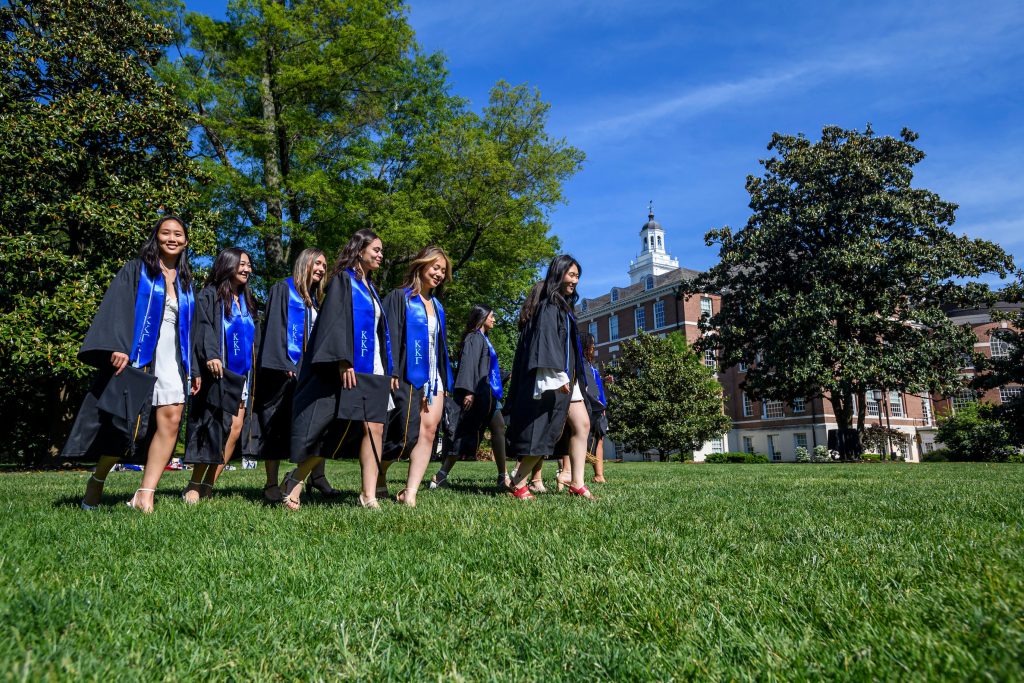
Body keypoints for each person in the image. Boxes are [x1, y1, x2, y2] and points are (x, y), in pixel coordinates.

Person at [66, 216, 200, 512]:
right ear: (156, 237)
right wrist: (118, 345)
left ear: (186, 242)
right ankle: (98, 479)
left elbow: (191, 329)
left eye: (178, 234)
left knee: (172, 420)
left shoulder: (187, 282)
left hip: (174, 358)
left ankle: (145, 493)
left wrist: (195, 368)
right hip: (141, 354)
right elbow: (118, 307)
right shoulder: (136, 271)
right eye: (166, 233)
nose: (172, 238)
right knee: (125, 426)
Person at [281, 229, 396, 509]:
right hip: (348, 368)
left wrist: (389, 370)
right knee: (332, 430)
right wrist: (344, 359)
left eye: (381, 251)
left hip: (374, 368)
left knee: (375, 428)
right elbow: (334, 321)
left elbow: (381, 333)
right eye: (376, 250)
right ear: (360, 250)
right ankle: (295, 480)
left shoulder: (370, 288)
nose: (381, 255)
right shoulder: (343, 282)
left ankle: (368, 496)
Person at [253, 248, 341, 503]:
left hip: (308, 373)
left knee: (314, 425)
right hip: (283, 371)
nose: (322, 269)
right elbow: (273, 328)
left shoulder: (316, 301)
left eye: (325, 265)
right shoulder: (283, 289)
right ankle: (271, 483)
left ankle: (314, 476)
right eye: (317, 263)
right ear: (304, 263)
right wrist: (281, 364)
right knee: (276, 425)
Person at [506, 255, 594, 500]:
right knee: (547, 431)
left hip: (570, 376)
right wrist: (557, 374)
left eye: (577, 276)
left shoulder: (564, 306)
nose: (575, 280)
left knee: (583, 424)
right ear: (558, 273)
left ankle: (576, 481)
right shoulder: (549, 305)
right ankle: (518, 481)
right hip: (556, 376)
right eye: (571, 274)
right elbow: (547, 341)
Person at [379, 246, 454, 507]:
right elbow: (389, 337)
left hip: (434, 376)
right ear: (421, 265)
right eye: (435, 267)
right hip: (407, 375)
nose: (439, 274)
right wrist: (392, 371)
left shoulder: (437, 306)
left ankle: (410, 493)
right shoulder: (399, 298)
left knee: (430, 431)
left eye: (443, 270)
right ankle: (380, 474)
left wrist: (446, 379)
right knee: (402, 433)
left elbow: (440, 345)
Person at [182, 248, 259, 502]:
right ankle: (194, 484)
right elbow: (202, 327)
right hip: (218, 373)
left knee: (234, 430)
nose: (247, 269)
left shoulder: (248, 301)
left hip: (242, 376)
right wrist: (211, 354)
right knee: (213, 428)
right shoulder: (210, 295)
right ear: (228, 265)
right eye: (242, 264)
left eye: (249, 265)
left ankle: (209, 485)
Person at [429, 305, 510, 490]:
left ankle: (501, 476)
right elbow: (469, 365)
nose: (494, 319)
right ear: (482, 317)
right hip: (475, 394)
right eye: (492, 316)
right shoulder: (474, 338)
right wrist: (469, 391)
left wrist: (505, 375)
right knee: (464, 435)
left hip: (488, 395)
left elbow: (486, 369)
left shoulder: (484, 339)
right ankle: (440, 475)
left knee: (499, 429)